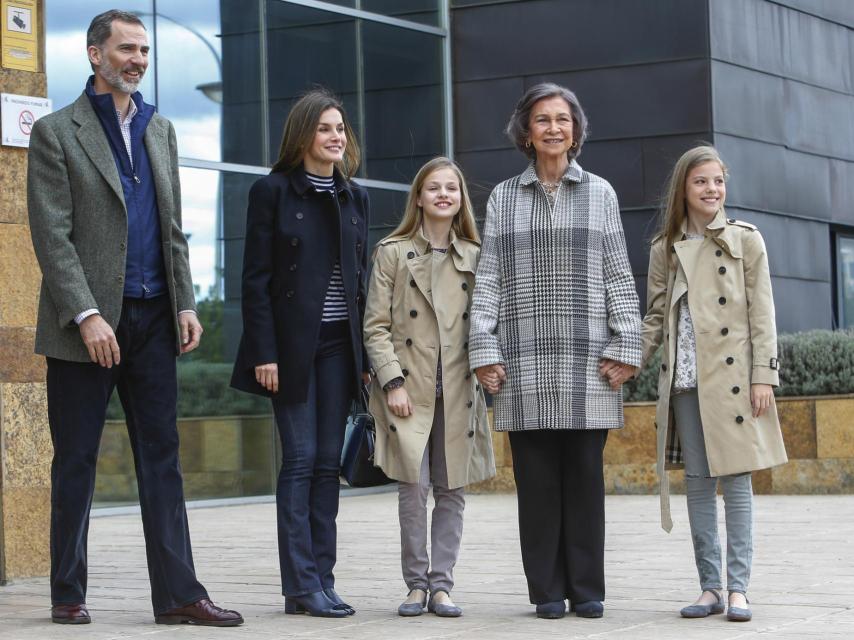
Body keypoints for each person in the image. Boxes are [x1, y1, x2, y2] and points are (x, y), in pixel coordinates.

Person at [26, 10, 242, 627]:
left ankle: (178, 594)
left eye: (144, 50)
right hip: (85, 327)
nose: (137, 59)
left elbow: (171, 226)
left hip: (153, 317)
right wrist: (87, 315)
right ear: (95, 55)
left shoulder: (161, 129)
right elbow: (52, 236)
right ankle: (67, 591)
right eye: (126, 48)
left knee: (162, 457)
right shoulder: (55, 132)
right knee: (76, 458)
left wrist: (185, 302)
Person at [468, 82, 641, 620]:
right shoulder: (502, 197)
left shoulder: (601, 193)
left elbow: (618, 273)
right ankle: (545, 590)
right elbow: (489, 279)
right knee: (537, 486)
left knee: (585, 483)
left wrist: (628, 344)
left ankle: (587, 589)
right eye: (542, 119)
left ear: (576, 129)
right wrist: (484, 347)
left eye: (562, 119)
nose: (553, 128)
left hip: (589, 362)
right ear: (526, 131)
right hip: (523, 363)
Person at [607, 145, 787, 622]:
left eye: (718, 181)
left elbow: (763, 313)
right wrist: (629, 360)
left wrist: (763, 376)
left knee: (738, 481)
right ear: (684, 189)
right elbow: (653, 319)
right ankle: (709, 586)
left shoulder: (746, 240)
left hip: (732, 379)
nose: (712, 190)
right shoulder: (664, 247)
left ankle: (739, 589)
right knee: (700, 484)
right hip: (684, 379)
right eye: (702, 181)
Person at [230, 88, 370, 618]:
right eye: (325, 128)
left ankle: (322, 579)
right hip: (289, 349)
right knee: (301, 459)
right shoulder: (272, 191)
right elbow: (256, 280)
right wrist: (264, 351)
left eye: (341, 129)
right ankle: (300, 583)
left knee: (327, 464)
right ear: (303, 135)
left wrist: (365, 359)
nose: (336, 137)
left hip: (340, 347)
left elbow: (360, 283)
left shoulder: (354, 196)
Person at [363, 158, 496, 618]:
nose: (443, 195)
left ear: (461, 200)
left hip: (459, 389)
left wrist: (488, 371)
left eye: (452, 189)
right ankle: (416, 585)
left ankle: (442, 586)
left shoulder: (477, 256)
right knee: (413, 490)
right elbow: (375, 326)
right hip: (409, 391)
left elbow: (486, 325)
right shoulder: (393, 252)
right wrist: (392, 381)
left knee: (452, 489)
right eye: (434, 188)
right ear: (418, 197)